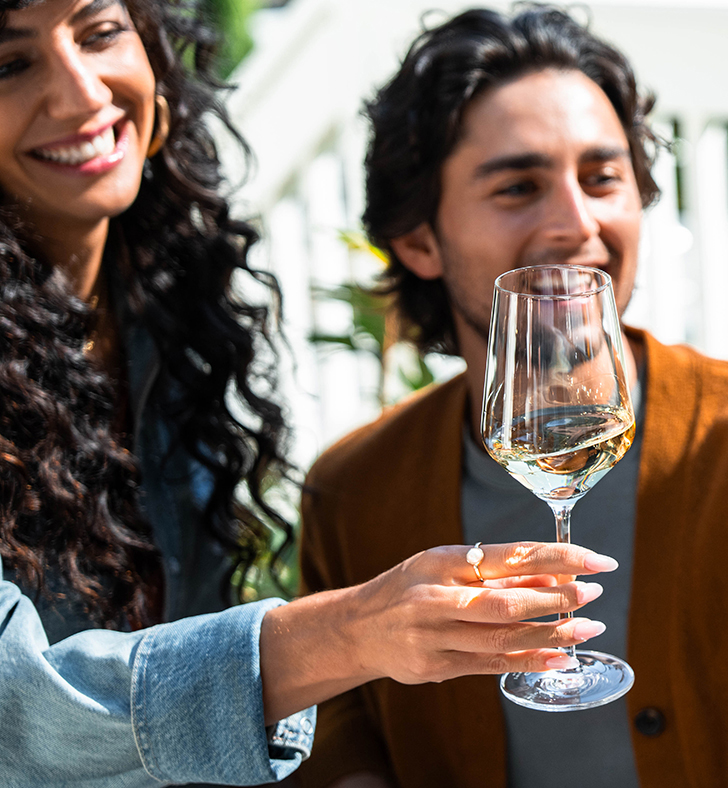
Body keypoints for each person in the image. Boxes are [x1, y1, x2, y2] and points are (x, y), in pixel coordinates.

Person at [288, 8, 728, 788]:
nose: (577, 223)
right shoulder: (354, 490)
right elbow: (340, 742)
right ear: (418, 238)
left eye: (603, 178)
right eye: (519, 187)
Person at [0, 0, 622, 784]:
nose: (84, 94)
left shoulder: (164, 316)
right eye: (10, 64)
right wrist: (351, 633)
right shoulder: (362, 486)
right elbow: (12, 710)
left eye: (100, 33)